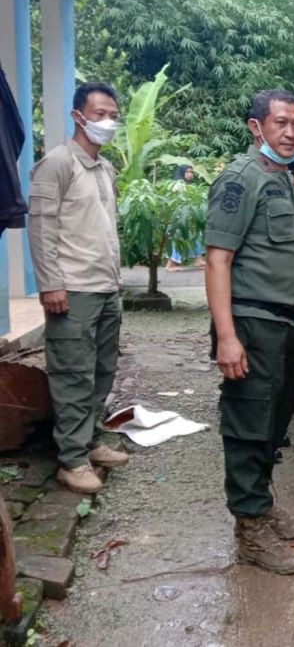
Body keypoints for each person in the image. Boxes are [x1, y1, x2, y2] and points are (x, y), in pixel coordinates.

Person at [204, 89, 294, 575]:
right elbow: (218, 260)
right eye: (280, 123)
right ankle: (249, 531)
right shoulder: (240, 180)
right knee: (249, 427)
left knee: (276, 419)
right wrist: (227, 337)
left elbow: (289, 243)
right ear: (256, 127)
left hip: (287, 324)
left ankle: (262, 507)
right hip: (253, 324)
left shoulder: (282, 179)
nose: (290, 132)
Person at [26, 82, 129, 494]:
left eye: (113, 115)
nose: (108, 122)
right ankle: (71, 460)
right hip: (73, 289)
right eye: (100, 113)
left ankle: (88, 442)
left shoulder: (104, 169)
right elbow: (41, 227)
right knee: (72, 373)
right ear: (78, 116)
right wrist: (50, 284)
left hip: (106, 287)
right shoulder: (57, 164)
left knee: (102, 371)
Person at [167, 164, 204, 271]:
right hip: (179, 216)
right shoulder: (178, 184)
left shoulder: (187, 185)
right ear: (182, 172)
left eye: (191, 172)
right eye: (187, 172)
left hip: (187, 215)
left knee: (196, 235)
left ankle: (198, 259)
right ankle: (170, 265)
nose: (190, 174)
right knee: (178, 239)